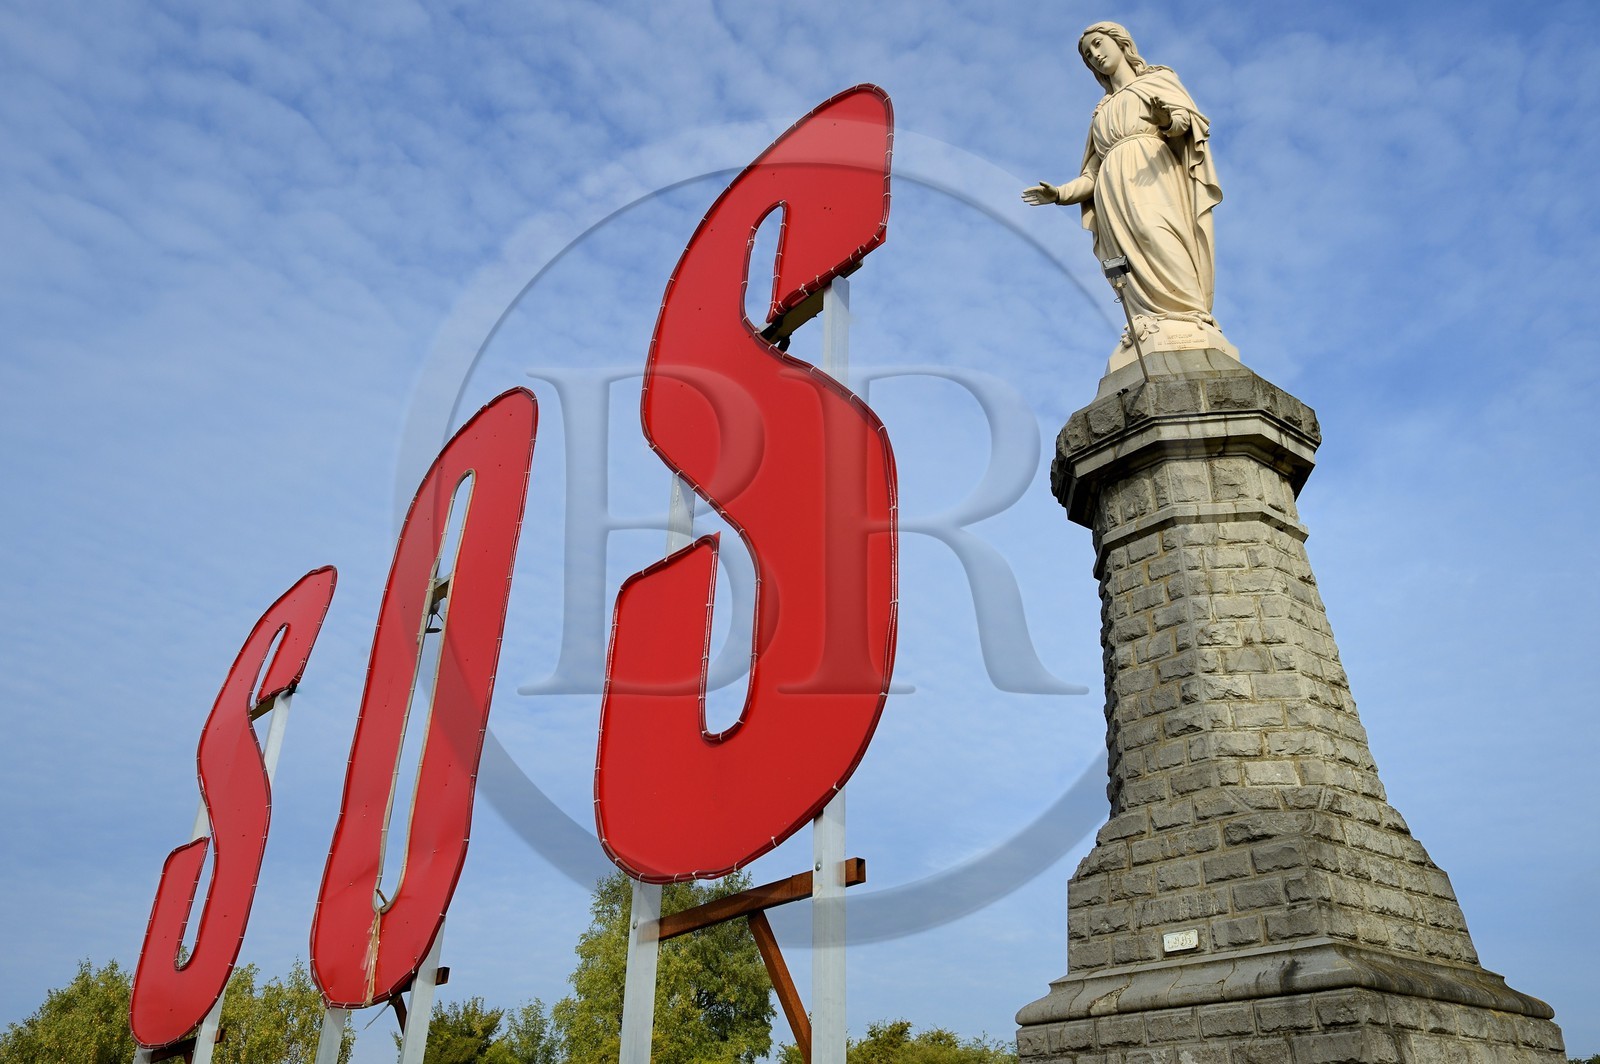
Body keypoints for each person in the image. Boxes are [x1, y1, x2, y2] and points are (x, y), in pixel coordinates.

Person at [1022, 22, 1223, 343]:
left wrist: (1166, 121)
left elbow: (1187, 123)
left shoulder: (1157, 80)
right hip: (1112, 191)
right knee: (1129, 260)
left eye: (1098, 44)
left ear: (1121, 43)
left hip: (1153, 171)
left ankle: (1190, 315)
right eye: (1088, 55)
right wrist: (1059, 194)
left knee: (1158, 234)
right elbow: (1091, 175)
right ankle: (1148, 321)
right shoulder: (1101, 112)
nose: (1095, 55)